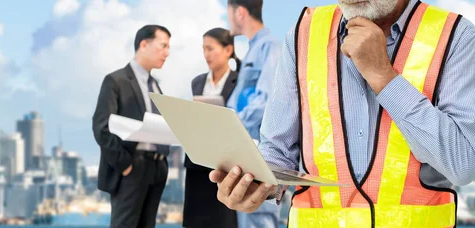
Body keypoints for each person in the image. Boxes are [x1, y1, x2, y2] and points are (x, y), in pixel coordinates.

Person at [210, 0, 475, 227]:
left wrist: (383, 76)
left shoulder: (456, 36)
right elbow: (277, 152)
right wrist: (255, 184)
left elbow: (463, 164)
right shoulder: (303, 33)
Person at [92, 24, 171, 228]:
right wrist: (124, 165)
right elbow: (101, 127)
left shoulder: (156, 86)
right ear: (144, 44)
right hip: (131, 167)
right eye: (163, 46)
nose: (167, 52)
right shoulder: (116, 81)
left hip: (157, 167)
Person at [225, 0, 281, 227]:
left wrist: (231, 124)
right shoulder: (253, 50)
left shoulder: (271, 47)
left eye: (228, 13)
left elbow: (267, 99)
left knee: (260, 217)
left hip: (261, 152)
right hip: (245, 149)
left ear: (239, 13)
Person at [183, 27, 240, 228]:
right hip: (197, 161)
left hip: (225, 163)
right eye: (203, 49)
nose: (206, 54)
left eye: (211, 48)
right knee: (194, 219)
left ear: (228, 50)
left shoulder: (240, 80)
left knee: (223, 220)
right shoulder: (197, 82)